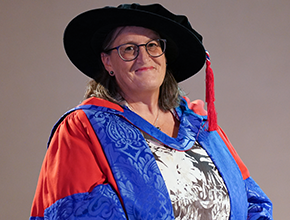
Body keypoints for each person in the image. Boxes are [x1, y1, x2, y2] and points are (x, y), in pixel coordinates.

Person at [30, 3, 273, 220]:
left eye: (152, 46)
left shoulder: (200, 125)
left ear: (165, 56)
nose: (143, 57)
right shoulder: (85, 128)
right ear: (107, 62)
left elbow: (253, 203)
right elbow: (79, 213)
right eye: (128, 49)